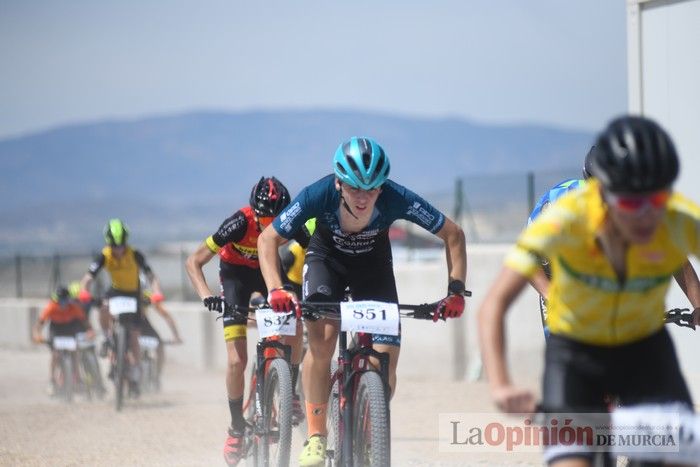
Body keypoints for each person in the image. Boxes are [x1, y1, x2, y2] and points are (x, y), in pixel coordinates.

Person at [478, 115, 700, 466]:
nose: (643, 219)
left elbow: (679, 260)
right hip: (575, 342)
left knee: (679, 453)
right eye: (628, 205)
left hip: (643, 346)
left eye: (654, 202)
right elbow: (495, 303)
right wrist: (501, 384)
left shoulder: (673, 218)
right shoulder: (562, 213)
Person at [257, 136, 468, 467]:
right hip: (326, 262)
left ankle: (370, 427)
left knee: (384, 360)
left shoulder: (397, 197)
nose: (363, 197)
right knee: (323, 340)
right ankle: (316, 436)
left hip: (373, 268)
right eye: (355, 188)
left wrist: (455, 291)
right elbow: (268, 238)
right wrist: (276, 289)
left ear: (383, 187)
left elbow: (453, 234)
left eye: (372, 189)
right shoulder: (318, 194)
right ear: (339, 183)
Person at [185, 176, 304, 467]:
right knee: (236, 361)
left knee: (296, 321)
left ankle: (290, 391)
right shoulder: (238, 223)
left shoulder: (290, 222)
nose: (271, 223)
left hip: (267, 272)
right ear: (255, 211)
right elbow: (194, 261)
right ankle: (237, 427)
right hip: (235, 276)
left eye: (277, 218)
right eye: (265, 217)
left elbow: (317, 250)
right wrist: (206, 296)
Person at [78, 219, 164, 394]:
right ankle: (107, 336)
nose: (118, 249)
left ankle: (136, 370)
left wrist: (156, 292)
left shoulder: (135, 254)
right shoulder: (104, 255)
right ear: (108, 243)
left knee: (134, 335)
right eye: (114, 246)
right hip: (116, 292)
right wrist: (84, 292)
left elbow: (151, 276)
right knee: (103, 306)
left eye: (121, 245)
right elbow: (88, 277)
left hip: (134, 293)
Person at [32, 286, 96, 395]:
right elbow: (39, 324)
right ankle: (52, 380)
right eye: (59, 300)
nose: (62, 303)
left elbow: (85, 321)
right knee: (55, 354)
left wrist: (90, 331)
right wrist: (37, 335)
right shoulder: (51, 307)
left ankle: (77, 377)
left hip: (70, 329)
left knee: (75, 352)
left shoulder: (74, 307)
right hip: (56, 330)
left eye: (64, 300)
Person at [140, 290, 183, 387]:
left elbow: (166, 315)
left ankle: (156, 376)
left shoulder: (146, 295)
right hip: (127, 323)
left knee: (159, 347)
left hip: (142, 323)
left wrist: (176, 336)